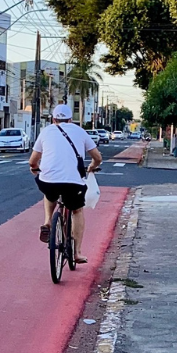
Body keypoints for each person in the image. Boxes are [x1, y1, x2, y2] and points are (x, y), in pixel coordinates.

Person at [29, 104, 102, 264]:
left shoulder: (46, 131)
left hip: (49, 181)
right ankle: (77, 252)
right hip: (73, 183)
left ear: (54, 119)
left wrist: (34, 169)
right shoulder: (80, 131)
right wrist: (92, 167)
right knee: (77, 210)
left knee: (49, 193)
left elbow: (33, 161)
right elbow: (97, 157)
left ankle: (48, 221)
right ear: (70, 119)